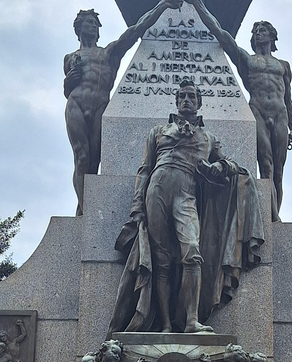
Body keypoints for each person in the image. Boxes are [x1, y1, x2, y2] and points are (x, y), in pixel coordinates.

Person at [107, 80, 264, 336]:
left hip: (186, 193)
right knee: (162, 260)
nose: (186, 100)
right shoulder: (158, 131)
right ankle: (166, 325)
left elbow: (231, 165)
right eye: (182, 96)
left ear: (199, 102)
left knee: (192, 251)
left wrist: (218, 167)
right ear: (176, 101)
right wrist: (137, 204)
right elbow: (144, 170)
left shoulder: (209, 138)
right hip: (157, 189)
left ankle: (192, 320)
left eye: (191, 96)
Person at [181, 0, 292, 222]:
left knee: (279, 173)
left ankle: (276, 215)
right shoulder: (247, 60)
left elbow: (288, 97)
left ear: (272, 36)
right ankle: (270, 215)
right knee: (266, 165)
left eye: (263, 31)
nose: (258, 34)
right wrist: (197, 3)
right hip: (258, 111)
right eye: (255, 32)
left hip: (280, 113)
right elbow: (220, 33)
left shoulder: (283, 65)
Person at [64, 0, 183, 216]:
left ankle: (87, 208)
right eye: (88, 23)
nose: (92, 27)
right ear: (79, 28)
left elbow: (135, 31)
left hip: (100, 104)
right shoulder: (70, 57)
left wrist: (162, 5)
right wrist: (67, 82)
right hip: (76, 104)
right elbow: (67, 89)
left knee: (95, 160)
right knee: (81, 157)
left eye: (95, 24)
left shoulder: (108, 52)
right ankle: (83, 209)